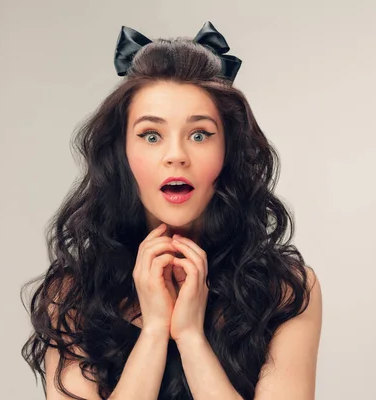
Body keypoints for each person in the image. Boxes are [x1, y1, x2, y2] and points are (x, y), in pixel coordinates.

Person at [21, 21, 322, 400]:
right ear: (121, 154)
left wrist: (192, 339)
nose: (176, 155)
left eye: (200, 135)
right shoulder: (71, 296)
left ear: (228, 151)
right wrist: (154, 332)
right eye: (151, 135)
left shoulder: (285, 290)